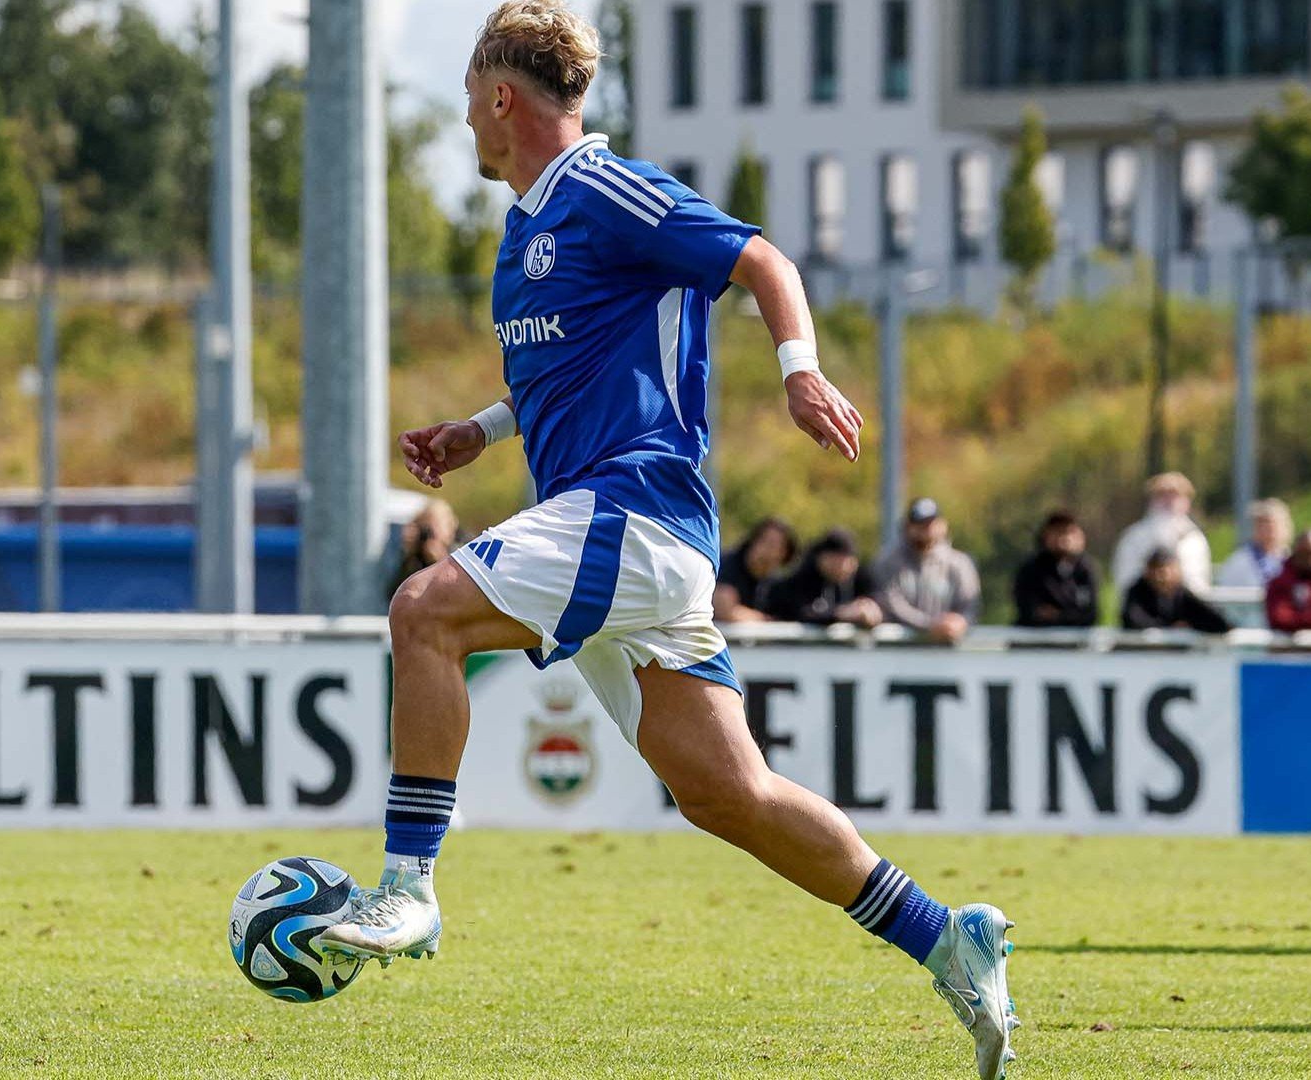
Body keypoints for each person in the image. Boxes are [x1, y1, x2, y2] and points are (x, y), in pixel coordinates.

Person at [317, 7, 1017, 1078]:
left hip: (636, 512)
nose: (463, 120)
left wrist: (797, 367)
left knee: (424, 612)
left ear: (501, 97)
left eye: (468, 96)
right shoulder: (526, 231)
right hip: (620, 534)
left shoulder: (605, 188)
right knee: (727, 795)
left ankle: (407, 888)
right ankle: (942, 935)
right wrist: (483, 430)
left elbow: (761, 258)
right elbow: (570, 369)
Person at [870, 498, 981, 644]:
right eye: (920, 524)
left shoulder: (959, 563)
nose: (926, 529)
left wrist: (960, 622)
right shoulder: (887, 561)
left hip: (947, 653)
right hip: (898, 650)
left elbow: (969, 605)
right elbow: (891, 603)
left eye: (931, 523)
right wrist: (930, 625)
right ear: (907, 526)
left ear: (943, 525)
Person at [1111, 472, 1211, 595]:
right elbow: (1126, 581)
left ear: (1187, 501)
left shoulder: (1194, 539)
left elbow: (1198, 584)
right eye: (1162, 495)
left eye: (1175, 495)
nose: (1169, 501)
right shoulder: (1134, 537)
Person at [765, 529, 882, 627]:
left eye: (846, 561)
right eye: (835, 561)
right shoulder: (801, 580)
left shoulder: (860, 578)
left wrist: (870, 609)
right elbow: (803, 612)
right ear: (822, 558)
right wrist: (843, 614)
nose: (842, 568)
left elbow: (877, 599)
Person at [1012, 511, 1099, 628]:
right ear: (1045, 535)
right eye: (1058, 532)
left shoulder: (1085, 569)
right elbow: (1031, 612)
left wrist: (1060, 615)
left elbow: (1089, 614)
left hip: (1076, 642)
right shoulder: (1032, 569)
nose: (1064, 538)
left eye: (1069, 532)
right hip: (1036, 642)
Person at [1121, 548, 1231, 633]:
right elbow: (1134, 621)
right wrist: (1170, 628)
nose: (1159, 578)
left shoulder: (1180, 594)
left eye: (1163, 573)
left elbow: (1215, 620)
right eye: (1155, 572)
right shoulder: (1137, 593)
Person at [713, 516, 798, 622]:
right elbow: (725, 610)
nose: (767, 550)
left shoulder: (774, 582)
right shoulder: (727, 565)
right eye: (765, 541)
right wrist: (768, 622)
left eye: (775, 546)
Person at [390, 500, 465, 599]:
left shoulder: (463, 550)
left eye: (435, 525)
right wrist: (410, 552)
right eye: (425, 526)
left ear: (450, 525)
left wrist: (440, 560)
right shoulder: (417, 556)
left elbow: (462, 590)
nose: (429, 533)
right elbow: (397, 593)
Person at [1216, 498, 1293, 589]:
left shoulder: (1293, 560)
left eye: (1276, 524)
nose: (1271, 530)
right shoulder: (1239, 562)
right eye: (1263, 524)